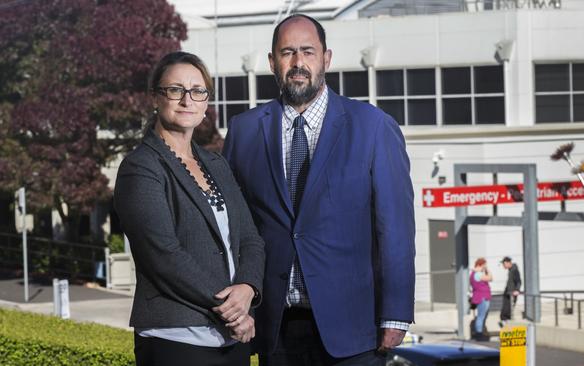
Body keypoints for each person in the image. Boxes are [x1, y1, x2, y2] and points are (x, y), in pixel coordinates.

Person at [223, 14, 416, 366]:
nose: (298, 63)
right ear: (272, 63)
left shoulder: (373, 127)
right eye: (288, 53)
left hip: (354, 331)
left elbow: (396, 229)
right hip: (274, 328)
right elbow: (234, 227)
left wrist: (396, 313)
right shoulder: (244, 131)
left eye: (308, 52)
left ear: (326, 58)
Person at [113, 51, 265, 366]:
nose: (187, 100)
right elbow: (164, 256)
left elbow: (250, 238)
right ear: (155, 97)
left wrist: (249, 287)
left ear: (206, 101)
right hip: (176, 340)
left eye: (197, 91)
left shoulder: (216, 164)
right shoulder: (140, 167)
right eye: (175, 90)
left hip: (231, 339)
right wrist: (233, 309)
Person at [469, 257, 492, 341]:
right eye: (484, 265)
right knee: (481, 316)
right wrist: (487, 270)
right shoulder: (478, 274)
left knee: (481, 316)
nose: (485, 267)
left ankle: (479, 332)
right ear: (481, 265)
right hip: (482, 297)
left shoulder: (473, 273)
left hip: (479, 296)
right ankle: (479, 334)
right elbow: (490, 278)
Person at [500, 256, 521, 326]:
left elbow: (518, 281)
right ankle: (505, 325)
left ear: (508, 263)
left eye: (504, 264)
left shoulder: (514, 270)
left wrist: (517, 290)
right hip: (507, 293)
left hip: (512, 294)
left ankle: (507, 326)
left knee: (507, 311)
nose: (503, 266)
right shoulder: (510, 270)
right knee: (504, 312)